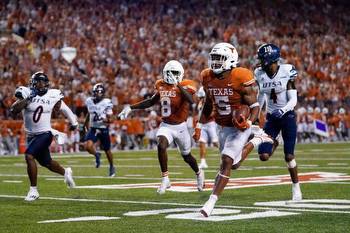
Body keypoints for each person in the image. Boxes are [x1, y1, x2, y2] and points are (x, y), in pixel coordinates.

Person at [193, 43, 273, 217]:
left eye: (219, 58)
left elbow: (255, 106)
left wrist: (249, 123)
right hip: (221, 126)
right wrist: (199, 125)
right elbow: (207, 104)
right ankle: (258, 139)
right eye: (213, 58)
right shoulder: (207, 76)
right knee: (233, 164)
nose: (215, 62)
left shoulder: (240, 76)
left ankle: (210, 203)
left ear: (231, 59)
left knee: (227, 161)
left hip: (239, 125)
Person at [118, 60, 205, 194]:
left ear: (180, 74)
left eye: (175, 73)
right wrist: (130, 108)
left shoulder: (187, 84)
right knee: (161, 144)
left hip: (181, 127)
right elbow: (151, 101)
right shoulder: (161, 84)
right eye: (169, 72)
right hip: (166, 125)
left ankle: (199, 173)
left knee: (187, 156)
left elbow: (191, 100)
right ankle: (165, 178)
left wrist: (178, 85)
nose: (171, 75)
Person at [10, 71, 77, 201]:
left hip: (45, 133)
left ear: (46, 84)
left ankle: (33, 190)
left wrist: (74, 122)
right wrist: (28, 98)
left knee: (29, 155)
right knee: (47, 163)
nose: (40, 85)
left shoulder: (53, 94)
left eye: (42, 82)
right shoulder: (26, 92)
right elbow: (14, 110)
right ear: (33, 83)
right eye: (38, 82)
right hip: (31, 135)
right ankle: (65, 172)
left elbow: (65, 109)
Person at [254, 43, 302, 201]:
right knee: (263, 156)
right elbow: (261, 95)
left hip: (287, 116)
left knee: (289, 156)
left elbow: (294, 99)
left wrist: (283, 110)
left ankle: (296, 188)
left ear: (269, 60)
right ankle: (275, 141)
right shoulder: (259, 73)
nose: (260, 62)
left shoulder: (286, 71)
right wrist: (256, 111)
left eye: (262, 59)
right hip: (272, 118)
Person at [83, 83, 116, 177]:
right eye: (97, 92)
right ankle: (97, 155)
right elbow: (89, 113)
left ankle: (112, 166)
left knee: (107, 150)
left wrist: (105, 119)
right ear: (93, 93)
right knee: (87, 146)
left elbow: (111, 119)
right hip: (93, 128)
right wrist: (85, 123)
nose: (98, 94)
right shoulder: (89, 101)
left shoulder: (107, 102)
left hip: (103, 128)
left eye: (100, 93)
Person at [195, 87, 219, 169]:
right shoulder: (200, 102)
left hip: (210, 123)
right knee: (202, 143)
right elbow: (199, 113)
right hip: (202, 125)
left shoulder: (209, 101)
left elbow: (213, 113)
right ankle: (203, 162)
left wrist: (206, 117)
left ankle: (226, 155)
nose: (199, 97)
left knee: (215, 142)